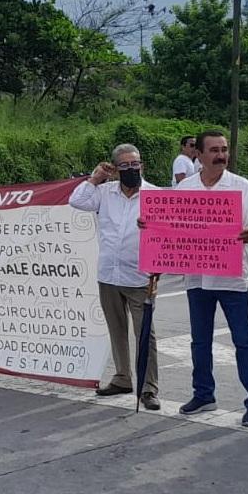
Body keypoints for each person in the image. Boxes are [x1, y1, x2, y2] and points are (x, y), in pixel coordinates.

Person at [173, 130, 248, 427]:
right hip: (197, 278)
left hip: (232, 279)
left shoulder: (242, 187)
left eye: (224, 149)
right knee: (199, 341)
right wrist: (150, 226)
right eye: (214, 150)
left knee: (244, 341)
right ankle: (203, 394)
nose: (221, 155)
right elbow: (169, 228)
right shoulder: (184, 189)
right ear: (198, 154)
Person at [69, 143, 160, 409]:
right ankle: (122, 377)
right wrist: (95, 179)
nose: (131, 169)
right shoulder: (104, 192)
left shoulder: (155, 195)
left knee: (145, 334)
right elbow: (77, 201)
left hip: (141, 276)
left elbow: (170, 231)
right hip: (109, 273)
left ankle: (148, 387)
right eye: (125, 165)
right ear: (115, 168)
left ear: (142, 165)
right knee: (116, 330)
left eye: (135, 164)